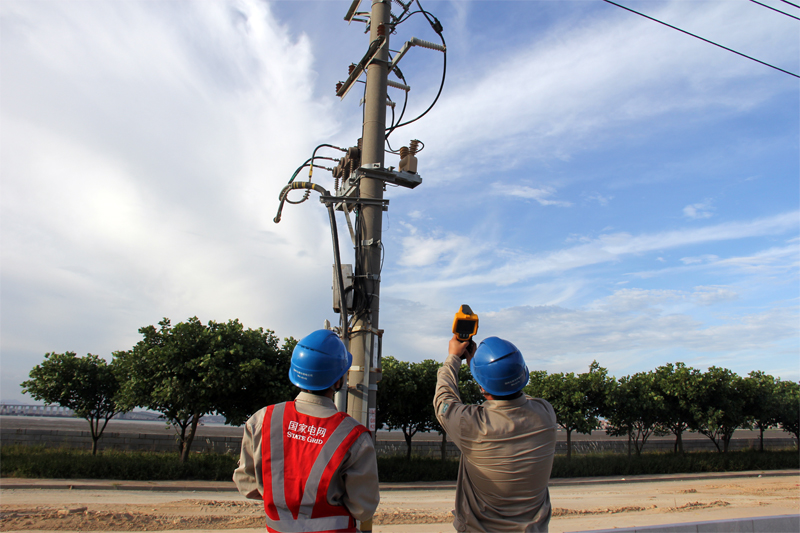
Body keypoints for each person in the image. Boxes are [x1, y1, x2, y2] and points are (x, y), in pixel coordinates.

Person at [234, 329, 379, 533]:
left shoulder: (262, 420)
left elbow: (246, 484)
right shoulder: (355, 436)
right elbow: (363, 509)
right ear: (338, 381)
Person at [434, 334, 557, 532]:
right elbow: (515, 396)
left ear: (482, 387)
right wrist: (480, 369)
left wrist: (453, 358)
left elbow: (443, 399)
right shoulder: (546, 414)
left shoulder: (471, 424)